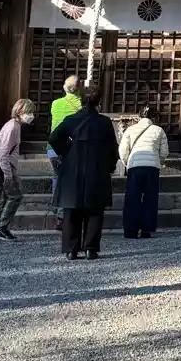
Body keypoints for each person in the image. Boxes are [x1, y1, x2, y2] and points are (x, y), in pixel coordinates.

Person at [50, 79, 119, 260]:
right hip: (97, 168)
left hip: (72, 168)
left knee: (71, 210)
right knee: (94, 210)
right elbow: (112, 147)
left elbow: (54, 138)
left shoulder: (71, 120)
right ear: (99, 101)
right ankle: (90, 248)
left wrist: (66, 151)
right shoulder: (104, 122)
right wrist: (110, 165)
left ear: (80, 99)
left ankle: (71, 249)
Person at [0, 98, 35, 241]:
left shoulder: (13, 125)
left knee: (2, 199)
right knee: (15, 197)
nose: (31, 115)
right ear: (20, 112)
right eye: (29, 112)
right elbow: (4, 152)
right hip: (5, 168)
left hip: (3, 166)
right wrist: (8, 175)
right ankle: (1, 227)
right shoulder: (13, 127)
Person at [120, 103, 169, 240]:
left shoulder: (130, 130)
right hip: (152, 167)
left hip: (135, 167)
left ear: (139, 116)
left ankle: (130, 230)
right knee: (150, 198)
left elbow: (123, 150)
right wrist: (158, 162)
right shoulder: (159, 130)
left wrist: (127, 163)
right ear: (153, 117)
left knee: (132, 198)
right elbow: (164, 152)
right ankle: (146, 229)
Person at [48, 75, 83, 223]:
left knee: (57, 177)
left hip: (53, 147)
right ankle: (63, 214)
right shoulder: (81, 105)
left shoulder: (55, 103)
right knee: (70, 180)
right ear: (79, 88)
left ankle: (57, 208)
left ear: (64, 87)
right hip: (71, 148)